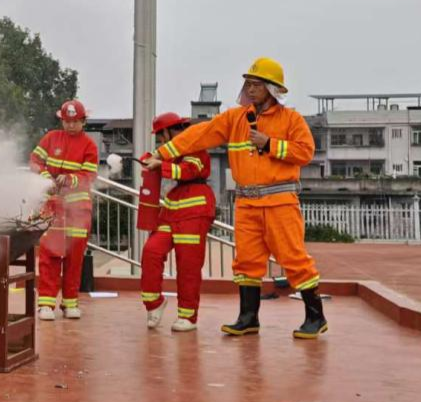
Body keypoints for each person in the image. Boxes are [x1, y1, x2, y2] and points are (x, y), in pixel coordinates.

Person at [147, 57, 328, 338]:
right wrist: (162, 152)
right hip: (246, 203)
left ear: (272, 88)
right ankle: (248, 318)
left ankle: (316, 317)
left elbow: (305, 152)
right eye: (248, 84)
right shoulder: (235, 118)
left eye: (256, 84)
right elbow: (200, 134)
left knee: (293, 258)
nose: (250, 89)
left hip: (279, 202)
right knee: (246, 261)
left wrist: (269, 144)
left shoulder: (291, 119)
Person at [138, 113, 216, 332]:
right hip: (173, 209)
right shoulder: (171, 150)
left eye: (160, 136)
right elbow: (153, 159)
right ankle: (154, 303)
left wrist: (160, 165)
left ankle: (187, 316)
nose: (160, 141)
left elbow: (189, 170)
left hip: (195, 208)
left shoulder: (195, 146)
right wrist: (150, 159)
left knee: (188, 265)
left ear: (167, 131)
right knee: (151, 251)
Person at [29, 100, 98, 320]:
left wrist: (70, 179)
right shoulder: (50, 138)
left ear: (83, 121)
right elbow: (35, 161)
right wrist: (45, 177)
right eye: (67, 121)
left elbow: (89, 175)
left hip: (79, 210)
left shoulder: (89, 146)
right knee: (49, 255)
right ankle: (46, 304)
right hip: (53, 207)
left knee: (74, 258)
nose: (70, 125)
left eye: (75, 121)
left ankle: (70, 303)